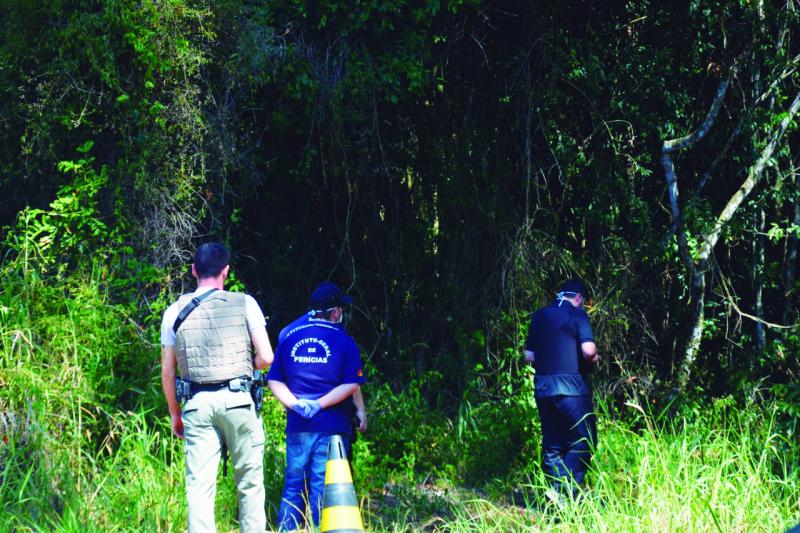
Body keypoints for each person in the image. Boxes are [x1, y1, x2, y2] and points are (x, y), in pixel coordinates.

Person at [160, 242, 274, 533]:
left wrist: (176, 414)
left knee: (199, 489)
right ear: (226, 271)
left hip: (196, 405)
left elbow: (168, 371)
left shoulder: (174, 311)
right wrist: (244, 362)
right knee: (249, 483)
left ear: (194, 270)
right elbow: (266, 358)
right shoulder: (245, 303)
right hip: (239, 400)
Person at [267, 282, 366, 531]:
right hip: (332, 428)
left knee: (293, 485)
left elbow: (274, 379)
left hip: (298, 426)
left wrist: (296, 404)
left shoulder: (290, 337)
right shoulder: (344, 341)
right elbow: (352, 384)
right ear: (335, 312)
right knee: (323, 486)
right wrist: (318, 404)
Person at [523, 279, 599, 503]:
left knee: (553, 444)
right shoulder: (578, 314)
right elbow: (588, 351)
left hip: (544, 389)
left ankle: (559, 498)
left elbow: (529, 356)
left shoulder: (539, 316)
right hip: (572, 390)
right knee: (584, 441)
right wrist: (595, 359)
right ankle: (562, 487)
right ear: (578, 298)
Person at [278, 308, 368, 447]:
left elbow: (279, 378)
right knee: (332, 467)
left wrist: (291, 403)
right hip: (334, 425)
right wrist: (360, 410)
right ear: (335, 312)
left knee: (298, 468)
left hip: (298, 424)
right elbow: (351, 381)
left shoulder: (289, 333)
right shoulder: (341, 338)